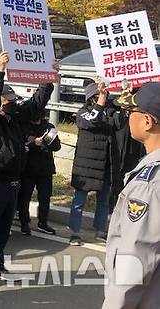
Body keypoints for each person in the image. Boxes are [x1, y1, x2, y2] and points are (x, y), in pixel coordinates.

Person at [0, 52, 55, 294]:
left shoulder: (17, 118)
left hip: (12, 180)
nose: (13, 102)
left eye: (13, 99)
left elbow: (37, 102)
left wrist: (49, 78)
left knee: (3, 227)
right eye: (8, 100)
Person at [103, 82, 160, 308]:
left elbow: (136, 261)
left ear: (147, 121)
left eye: (130, 112)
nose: (127, 117)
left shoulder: (149, 184)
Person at [68, 80, 116, 246]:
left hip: (105, 163)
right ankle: (75, 232)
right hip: (85, 166)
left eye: (103, 95)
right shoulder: (83, 113)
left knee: (103, 200)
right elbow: (92, 121)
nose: (102, 98)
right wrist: (101, 102)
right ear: (90, 98)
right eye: (97, 96)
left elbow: (121, 122)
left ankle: (101, 230)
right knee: (79, 200)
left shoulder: (110, 112)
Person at [17, 111, 61, 235]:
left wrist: (50, 141)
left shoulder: (48, 127)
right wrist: (33, 143)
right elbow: (20, 144)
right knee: (25, 197)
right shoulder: (23, 126)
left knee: (45, 197)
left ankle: (43, 222)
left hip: (45, 168)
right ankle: (24, 223)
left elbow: (57, 146)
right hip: (28, 168)